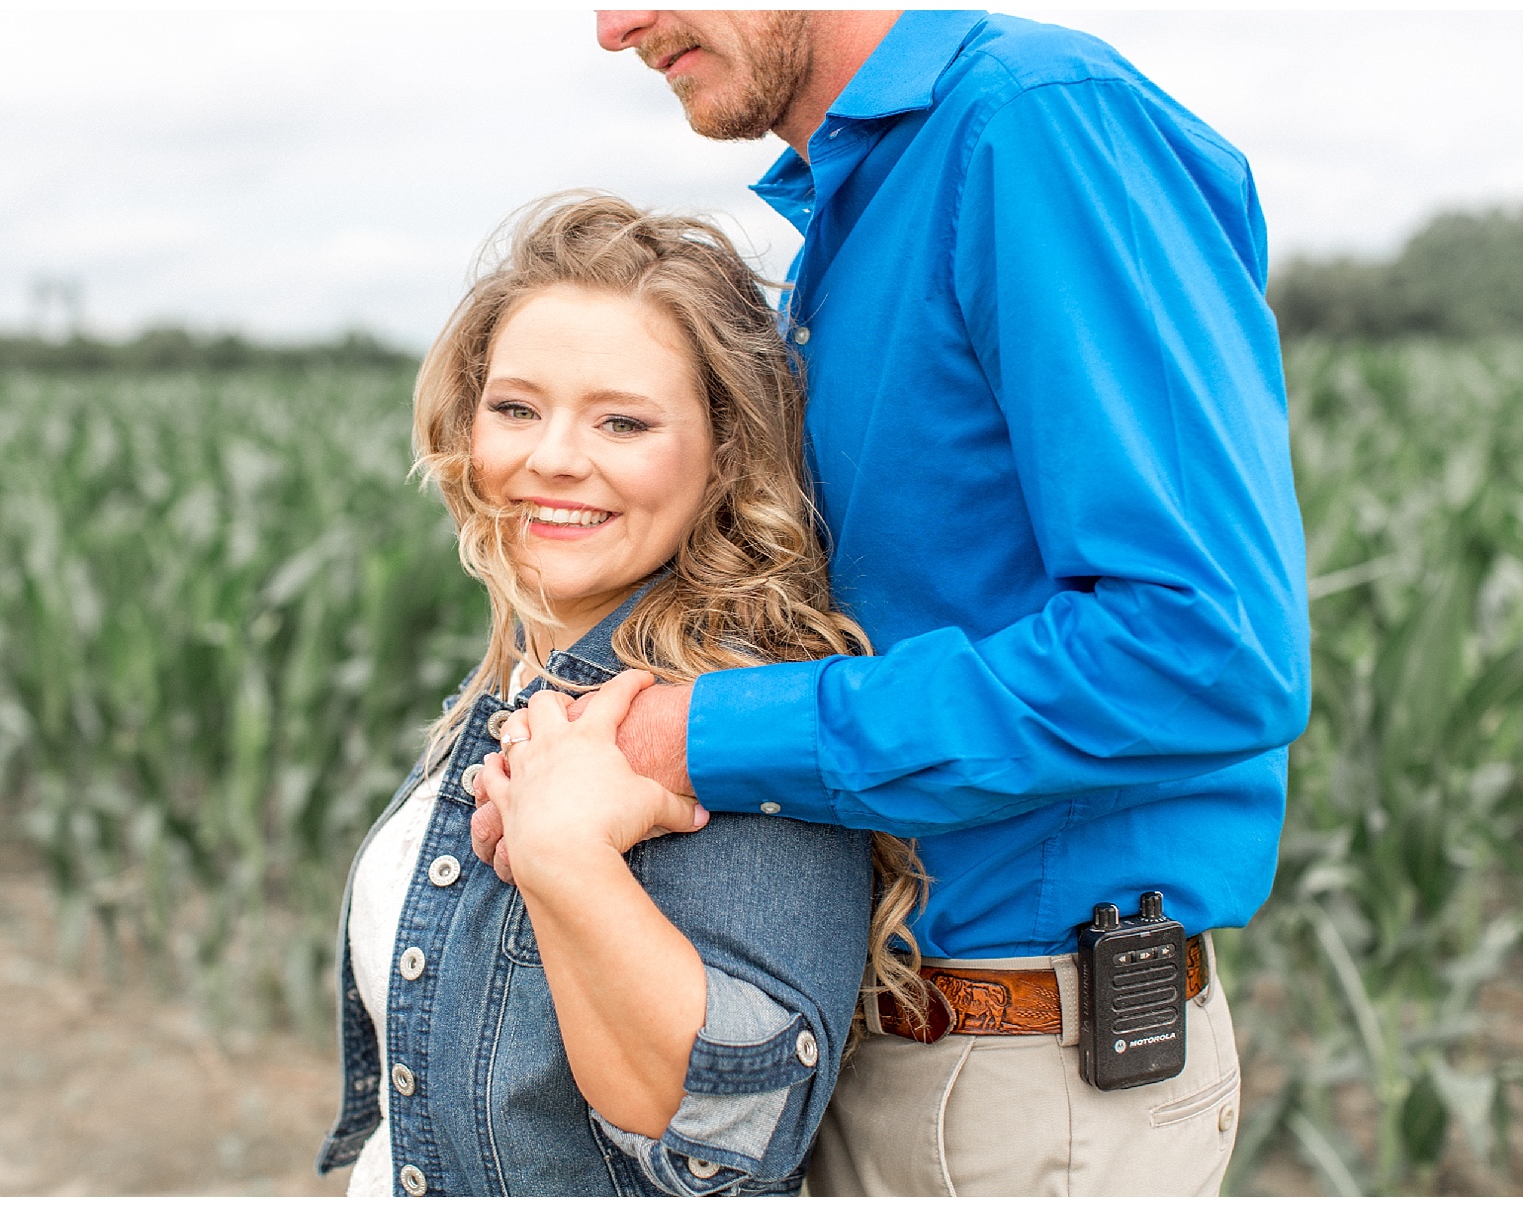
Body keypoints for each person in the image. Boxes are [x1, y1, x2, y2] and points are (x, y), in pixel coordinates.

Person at [474, 10, 1312, 1197]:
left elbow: (1203, 647)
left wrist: (694, 735)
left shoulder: (1034, 123)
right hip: (876, 1051)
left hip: (1022, 1081)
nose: (615, 27)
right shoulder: (853, 211)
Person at [314, 193, 930, 1197]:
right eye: (516, 407)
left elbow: (734, 1123)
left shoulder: (734, 710)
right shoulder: (522, 675)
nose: (553, 456)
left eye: (622, 420)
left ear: (726, 451)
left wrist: (563, 855)